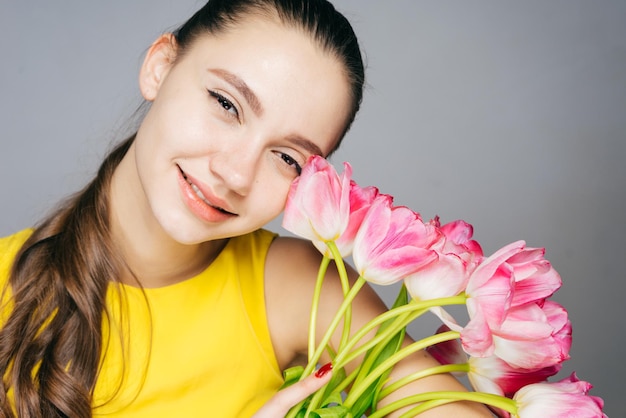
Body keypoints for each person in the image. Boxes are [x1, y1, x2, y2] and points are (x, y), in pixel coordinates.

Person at [0, 1, 492, 416]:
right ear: (160, 67)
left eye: (286, 158)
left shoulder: (293, 287)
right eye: (227, 103)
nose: (235, 175)